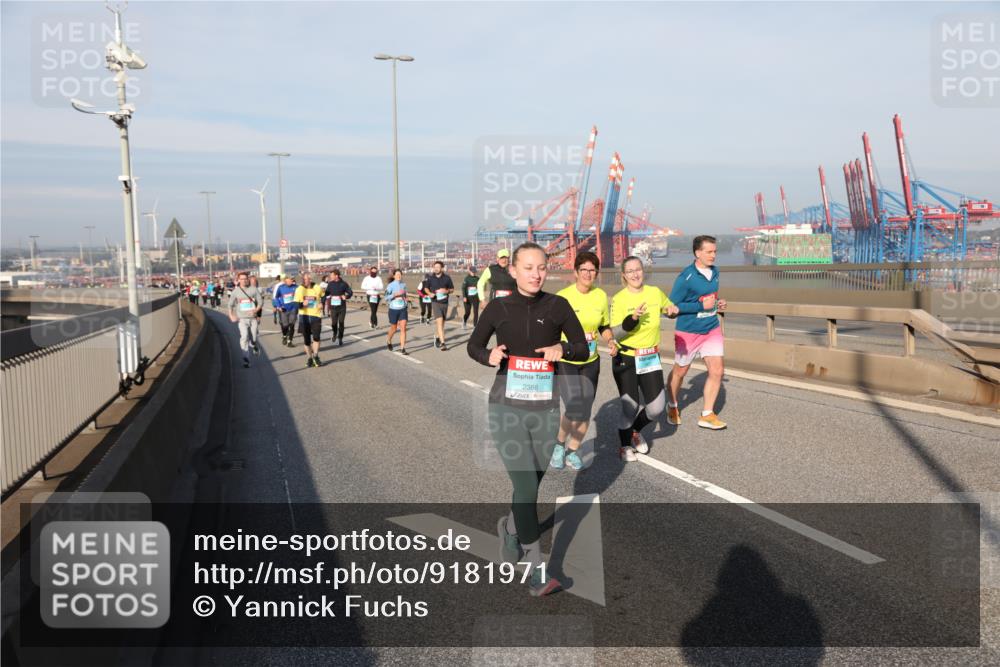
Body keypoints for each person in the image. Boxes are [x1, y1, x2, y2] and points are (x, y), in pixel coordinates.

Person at [467, 242, 589, 597]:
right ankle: (538, 572)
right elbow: (473, 346)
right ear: (514, 270)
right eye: (529, 267)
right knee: (524, 487)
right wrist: (487, 356)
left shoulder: (558, 306)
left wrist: (562, 349)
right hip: (505, 407)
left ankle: (511, 529)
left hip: (546, 409)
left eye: (541, 268)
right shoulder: (498, 308)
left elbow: (583, 347)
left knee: (532, 484)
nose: (536, 274)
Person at [609, 256, 680, 462]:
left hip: (650, 357)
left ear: (643, 271)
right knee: (630, 407)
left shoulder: (654, 292)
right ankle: (624, 445)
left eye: (637, 269)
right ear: (623, 275)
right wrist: (632, 319)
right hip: (627, 357)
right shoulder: (620, 299)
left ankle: (635, 431)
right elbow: (616, 334)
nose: (634, 274)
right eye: (629, 271)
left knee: (657, 407)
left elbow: (669, 308)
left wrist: (672, 312)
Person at [551, 252, 615, 471]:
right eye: (584, 270)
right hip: (567, 360)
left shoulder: (600, 296)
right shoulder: (563, 297)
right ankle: (559, 445)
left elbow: (603, 326)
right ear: (576, 272)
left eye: (592, 270)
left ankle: (572, 450)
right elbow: (552, 329)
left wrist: (611, 340)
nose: (588, 274)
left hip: (591, 360)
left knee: (585, 409)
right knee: (573, 406)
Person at [667, 235, 728, 430]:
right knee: (681, 371)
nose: (713, 255)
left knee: (717, 370)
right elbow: (671, 306)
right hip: (688, 331)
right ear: (697, 253)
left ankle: (707, 414)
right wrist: (700, 305)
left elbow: (710, 298)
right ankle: (672, 404)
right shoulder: (686, 277)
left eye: (715, 251)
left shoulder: (715, 272)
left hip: (711, 327)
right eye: (709, 252)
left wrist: (718, 303)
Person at [227, 272, 262, 368]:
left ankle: (254, 344)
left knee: (254, 336)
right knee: (244, 336)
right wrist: (231, 315)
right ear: (238, 280)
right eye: (242, 279)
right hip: (242, 319)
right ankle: (246, 358)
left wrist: (256, 310)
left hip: (253, 318)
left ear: (248, 279)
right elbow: (230, 304)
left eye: (245, 278)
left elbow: (260, 302)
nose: (244, 280)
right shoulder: (236, 291)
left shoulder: (253, 289)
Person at [294, 272, 325, 368]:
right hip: (304, 317)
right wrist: (302, 304)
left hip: (316, 316)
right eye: (303, 279)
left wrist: (322, 304)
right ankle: (309, 358)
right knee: (307, 340)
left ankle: (315, 356)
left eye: (306, 279)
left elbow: (324, 296)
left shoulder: (317, 287)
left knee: (316, 337)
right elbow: (295, 305)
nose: (304, 281)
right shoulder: (299, 289)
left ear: (310, 279)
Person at [422, 261, 454, 351]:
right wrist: (429, 293)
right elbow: (426, 288)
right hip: (435, 302)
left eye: (438, 267)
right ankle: (443, 343)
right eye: (435, 267)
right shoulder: (430, 278)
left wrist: (446, 291)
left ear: (442, 268)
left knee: (442, 324)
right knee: (439, 321)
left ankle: (436, 336)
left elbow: (452, 289)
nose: (436, 268)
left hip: (445, 303)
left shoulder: (447, 278)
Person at [324, 269, 353, 346]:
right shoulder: (330, 284)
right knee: (334, 323)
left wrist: (346, 296)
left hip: (342, 307)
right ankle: (334, 333)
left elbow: (350, 292)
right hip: (333, 307)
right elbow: (326, 293)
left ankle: (340, 338)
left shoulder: (343, 284)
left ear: (336, 276)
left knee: (341, 323)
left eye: (332, 275)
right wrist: (322, 296)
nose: (330, 277)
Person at [384, 268, 410, 355]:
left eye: (400, 274)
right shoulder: (390, 286)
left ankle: (402, 348)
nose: (399, 276)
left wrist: (406, 300)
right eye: (397, 274)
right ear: (394, 276)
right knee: (394, 328)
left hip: (402, 309)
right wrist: (394, 294)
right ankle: (389, 340)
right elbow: (386, 297)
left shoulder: (404, 285)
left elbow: (405, 295)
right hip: (393, 309)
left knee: (403, 328)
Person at [273, 275, 299, 347]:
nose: (291, 281)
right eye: (289, 280)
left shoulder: (296, 287)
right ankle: (284, 336)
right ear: (285, 281)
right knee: (285, 326)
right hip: (284, 309)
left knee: (292, 325)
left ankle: (290, 341)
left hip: (293, 308)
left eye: (292, 280)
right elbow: (276, 297)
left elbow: (301, 295)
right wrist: (278, 306)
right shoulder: (281, 288)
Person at [461, 265, 481, 330]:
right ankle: (464, 321)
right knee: (467, 312)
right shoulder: (466, 279)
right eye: (472, 271)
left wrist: (480, 296)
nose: (473, 273)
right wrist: (464, 296)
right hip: (467, 298)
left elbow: (481, 287)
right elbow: (463, 288)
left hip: (475, 297)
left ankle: (475, 326)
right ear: (469, 271)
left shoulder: (478, 279)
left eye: (474, 272)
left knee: (476, 312)